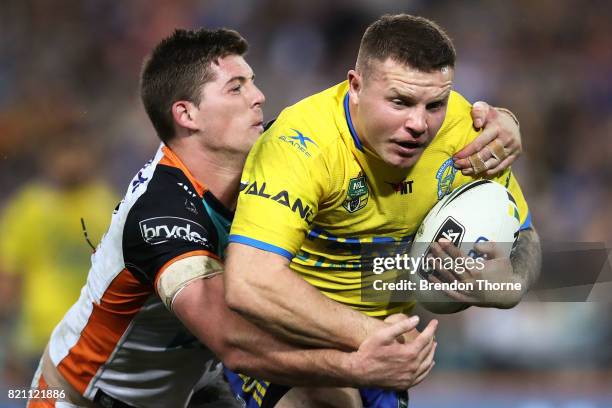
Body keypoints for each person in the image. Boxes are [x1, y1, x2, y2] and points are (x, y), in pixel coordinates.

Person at [27, 25, 522, 408]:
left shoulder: (262, 161)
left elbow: (353, 110)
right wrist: (361, 356)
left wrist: (502, 120)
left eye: (254, 82)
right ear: (187, 115)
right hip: (77, 395)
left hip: (187, 391)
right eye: (237, 88)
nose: (259, 96)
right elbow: (233, 342)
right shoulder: (160, 213)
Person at [224, 14, 541, 407]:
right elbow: (249, 283)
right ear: (355, 86)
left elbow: (525, 236)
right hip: (287, 342)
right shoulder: (299, 144)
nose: (419, 124)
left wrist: (507, 283)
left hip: (387, 351)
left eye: (434, 104)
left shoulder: (466, 130)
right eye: (400, 102)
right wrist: (369, 334)